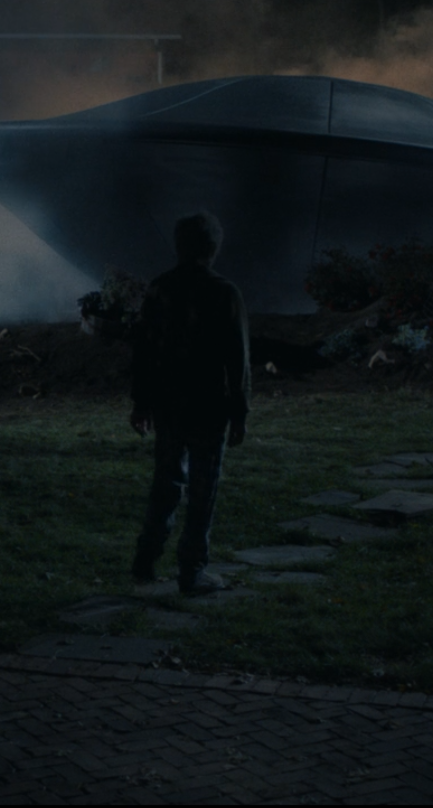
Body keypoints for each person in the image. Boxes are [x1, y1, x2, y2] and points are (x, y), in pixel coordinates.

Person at [128, 211, 252, 595]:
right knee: (203, 488)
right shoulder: (225, 292)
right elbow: (238, 358)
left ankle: (146, 558)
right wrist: (240, 412)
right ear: (214, 248)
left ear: (178, 246)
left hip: (168, 403)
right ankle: (192, 570)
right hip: (208, 405)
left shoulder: (159, 289)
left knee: (166, 481)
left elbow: (143, 351)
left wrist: (141, 402)